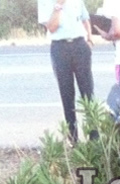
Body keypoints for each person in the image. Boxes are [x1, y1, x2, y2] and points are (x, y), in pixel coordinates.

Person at [38, 0, 95, 143]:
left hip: (79, 45)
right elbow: (52, 27)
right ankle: (73, 139)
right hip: (60, 47)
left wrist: (89, 39)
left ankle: (94, 139)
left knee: (88, 92)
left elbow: (85, 18)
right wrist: (58, 5)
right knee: (67, 94)